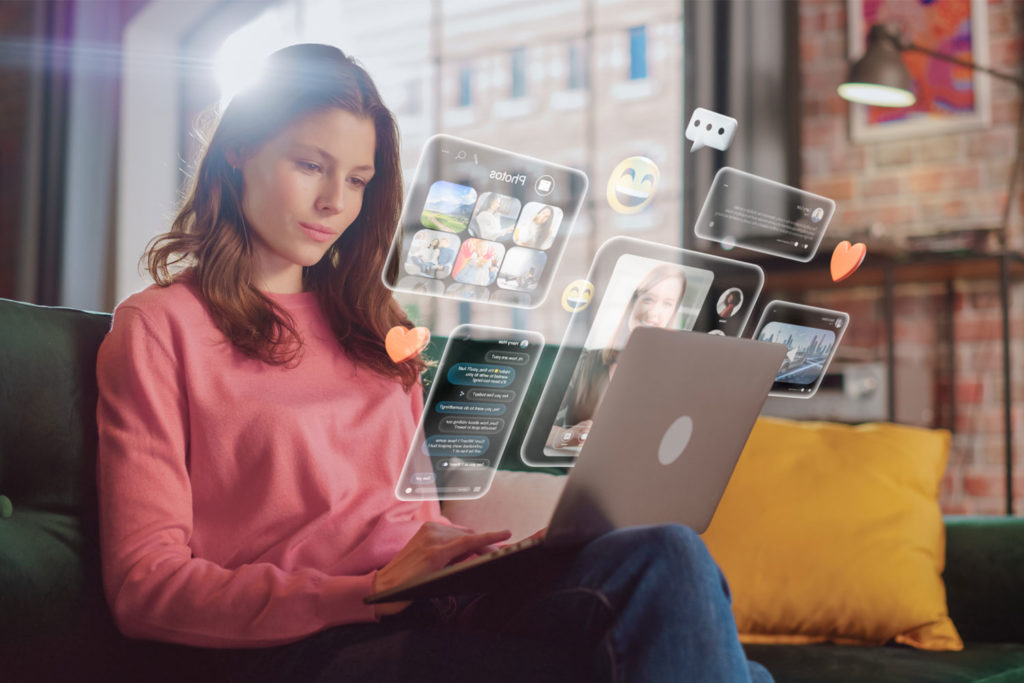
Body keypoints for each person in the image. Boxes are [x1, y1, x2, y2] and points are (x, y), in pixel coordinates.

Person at [96, 43, 772, 683]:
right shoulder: (159, 328)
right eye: (309, 165)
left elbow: (415, 519)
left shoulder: (379, 327)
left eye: (357, 179)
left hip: (445, 604)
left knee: (669, 554)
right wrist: (367, 590)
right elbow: (144, 587)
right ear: (239, 149)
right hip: (312, 641)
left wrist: (492, 551)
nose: (336, 201)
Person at [547, 264, 687, 451]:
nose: (653, 312)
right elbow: (539, 431)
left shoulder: (677, 376)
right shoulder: (588, 362)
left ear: (674, 312)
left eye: (667, 303)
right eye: (648, 299)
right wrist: (568, 436)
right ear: (632, 302)